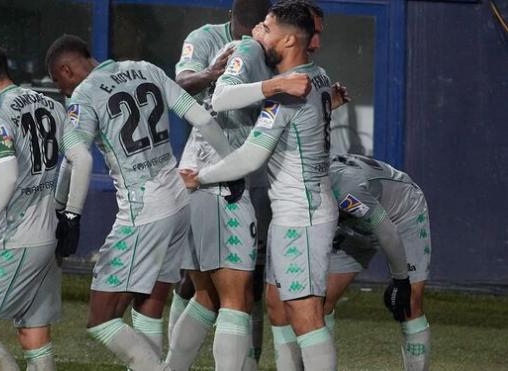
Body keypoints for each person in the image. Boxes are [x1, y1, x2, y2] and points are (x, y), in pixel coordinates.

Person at [45, 34, 236, 371]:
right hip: (179, 203)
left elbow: (76, 160)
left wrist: (67, 213)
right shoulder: (147, 69)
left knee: (101, 319)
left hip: (144, 211)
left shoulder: (85, 95)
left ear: (66, 69)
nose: (62, 91)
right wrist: (232, 169)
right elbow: (204, 119)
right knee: (148, 306)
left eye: (58, 82)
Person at [181, 2, 339, 370]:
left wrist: (200, 177)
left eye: (264, 28)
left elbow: (250, 155)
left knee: (305, 315)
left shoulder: (289, 93)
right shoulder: (317, 76)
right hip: (300, 210)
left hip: (302, 214)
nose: (256, 33)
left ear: (285, 40)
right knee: (278, 307)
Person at [0, 39, 83, 371]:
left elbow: (6, 177)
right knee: (34, 333)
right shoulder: (51, 104)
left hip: (18, 240)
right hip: (49, 237)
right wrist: (67, 212)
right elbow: (76, 161)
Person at [326, 153, 431, 371]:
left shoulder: (344, 188)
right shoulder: (301, 183)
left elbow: (387, 231)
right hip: (354, 224)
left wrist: (401, 280)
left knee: (409, 302)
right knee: (319, 302)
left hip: (401, 215)